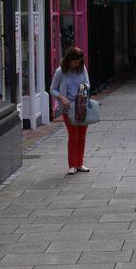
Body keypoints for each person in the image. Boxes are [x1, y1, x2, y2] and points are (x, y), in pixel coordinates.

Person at [50, 46, 91, 175]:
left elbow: (88, 83)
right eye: (75, 62)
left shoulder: (82, 69)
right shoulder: (60, 72)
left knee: (82, 136)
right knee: (73, 136)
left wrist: (83, 89)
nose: (77, 64)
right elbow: (52, 89)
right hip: (68, 108)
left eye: (79, 62)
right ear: (69, 60)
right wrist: (62, 98)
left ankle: (80, 164)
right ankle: (72, 165)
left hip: (82, 105)